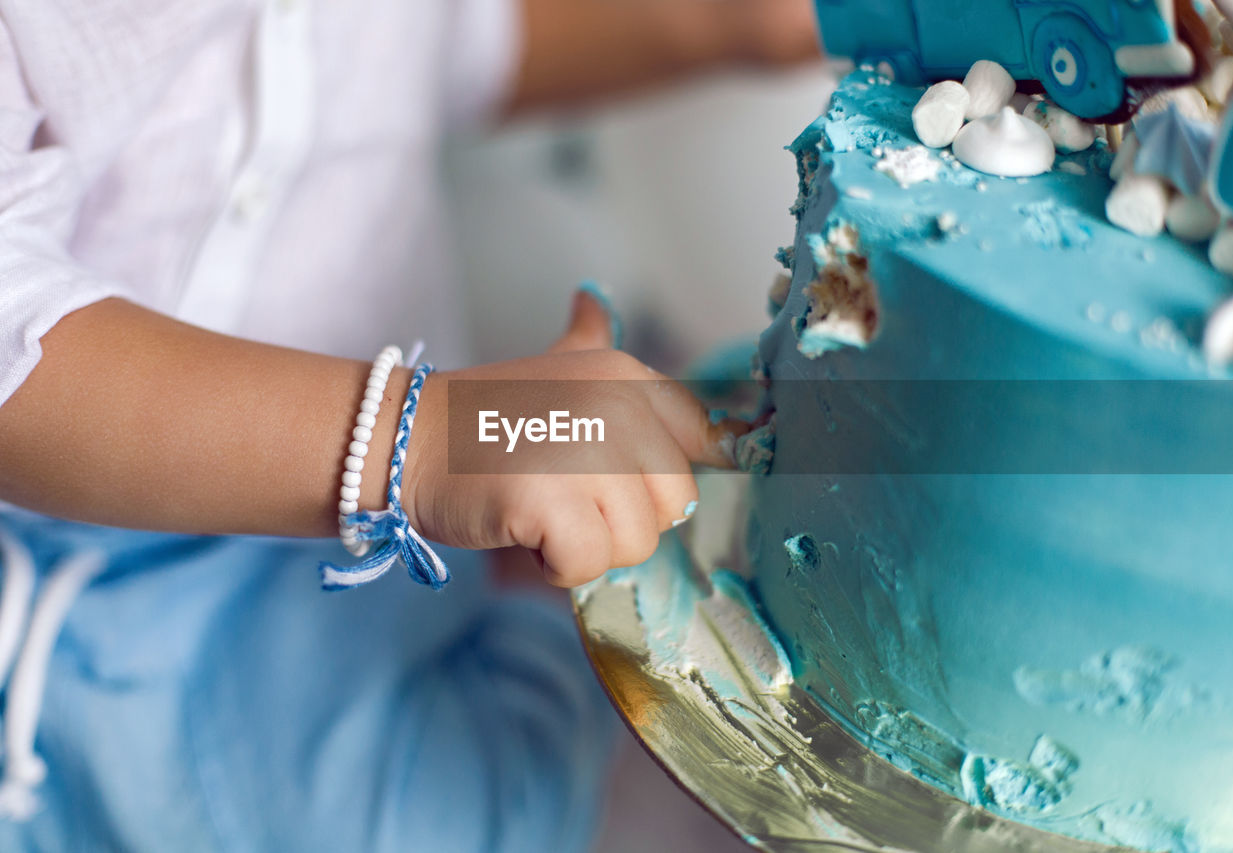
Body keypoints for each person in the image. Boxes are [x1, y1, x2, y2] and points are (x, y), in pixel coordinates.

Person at [0, 0, 818, 849]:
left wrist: (727, 23)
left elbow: (450, 37)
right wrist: (425, 439)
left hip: (405, 537)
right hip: (109, 554)